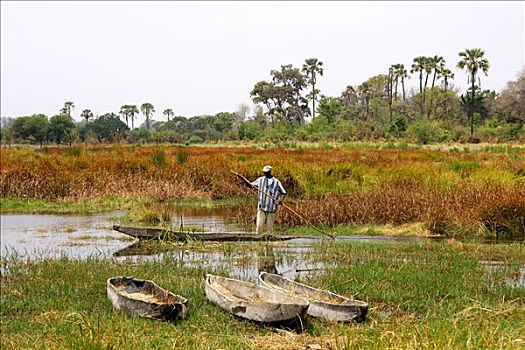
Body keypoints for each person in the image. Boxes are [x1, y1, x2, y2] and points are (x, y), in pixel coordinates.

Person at [250, 165, 286, 235]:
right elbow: (251, 185)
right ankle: (258, 236)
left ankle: (270, 238)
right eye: (264, 172)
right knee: (259, 225)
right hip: (262, 206)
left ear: (270, 172)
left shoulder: (276, 182)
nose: (265, 174)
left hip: (272, 207)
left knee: (270, 225)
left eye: (266, 172)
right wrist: (244, 180)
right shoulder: (260, 180)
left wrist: (280, 200)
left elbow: (283, 192)